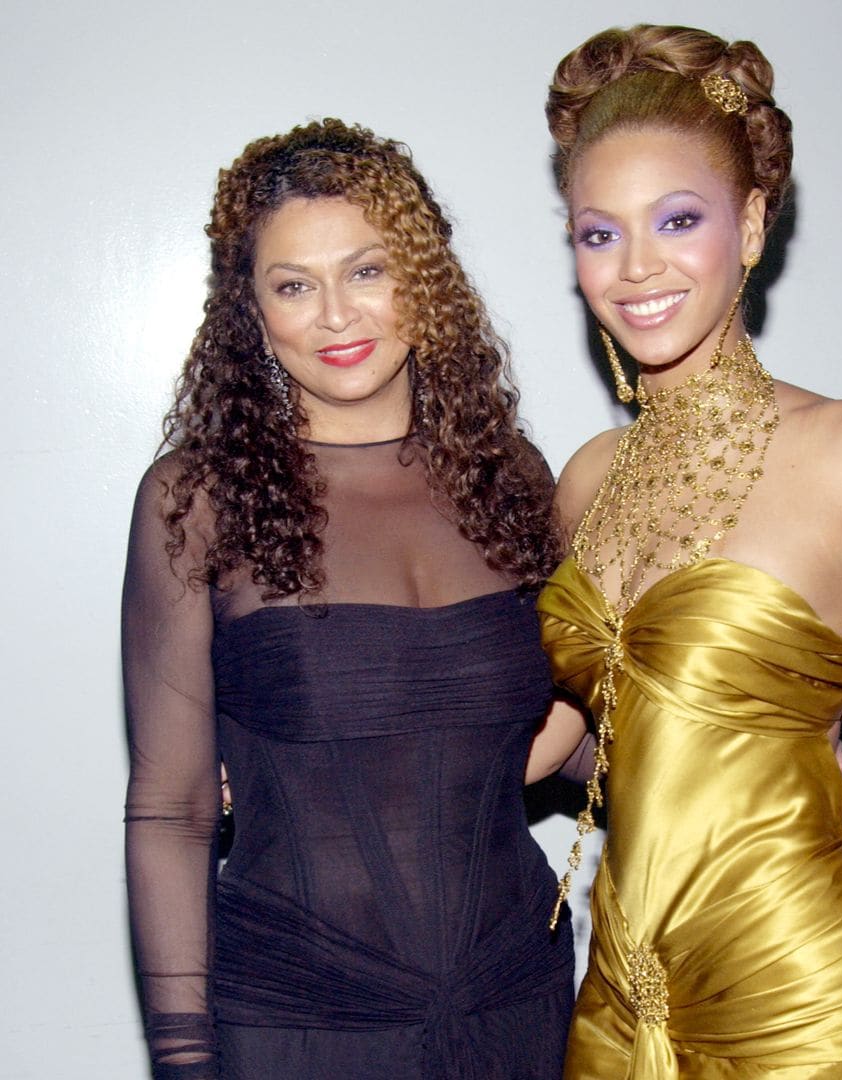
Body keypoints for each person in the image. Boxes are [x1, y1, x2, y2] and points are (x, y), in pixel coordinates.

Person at [535, 25, 842, 1079]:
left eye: (679, 220)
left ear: (749, 223)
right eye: (598, 233)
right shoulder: (583, 481)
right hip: (615, 1005)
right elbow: (573, 728)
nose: (637, 267)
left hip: (808, 1001)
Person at [122, 118, 581, 1078]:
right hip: (301, 1017)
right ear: (251, 310)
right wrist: (181, 1058)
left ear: (421, 277)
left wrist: (732, 722)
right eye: (294, 285)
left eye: (367, 271)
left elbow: (565, 742)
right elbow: (170, 812)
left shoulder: (513, 478)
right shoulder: (197, 499)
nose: (336, 315)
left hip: (518, 998)